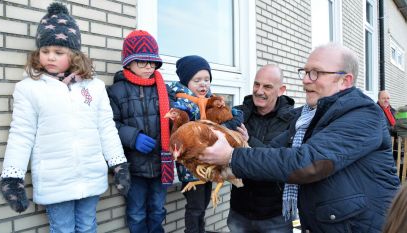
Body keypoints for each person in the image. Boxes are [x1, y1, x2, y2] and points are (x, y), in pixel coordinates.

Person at [199, 43, 400, 232]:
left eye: (316, 73)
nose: (305, 79)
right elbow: (273, 152)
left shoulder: (364, 115)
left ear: (344, 81)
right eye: (305, 72)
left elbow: (308, 162)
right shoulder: (307, 118)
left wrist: (233, 156)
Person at [0, 3, 130, 233]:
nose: (50, 57)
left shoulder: (94, 87)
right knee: (62, 229)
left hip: (90, 175)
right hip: (55, 180)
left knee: (88, 226)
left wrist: (118, 163)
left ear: (74, 54)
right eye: (45, 51)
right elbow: (21, 134)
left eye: (59, 52)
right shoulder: (29, 89)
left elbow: (106, 128)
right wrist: (12, 176)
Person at [167, 55, 243, 233]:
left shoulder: (210, 101)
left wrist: (231, 121)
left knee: (203, 206)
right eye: (197, 80)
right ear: (186, 82)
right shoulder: (182, 102)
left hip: (210, 163)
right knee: (195, 208)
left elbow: (234, 114)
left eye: (207, 79)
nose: (203, 84)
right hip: (192, 166)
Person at [107, 30, 173, 233]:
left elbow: (173, 118)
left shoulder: (163, 89)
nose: (148, 67)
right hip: (134, 167)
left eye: (152, 63)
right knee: (136, 213)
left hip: (162, 164)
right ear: (128, 62)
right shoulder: (117, 91)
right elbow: (109, 125)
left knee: (157, 210)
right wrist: (133, 137)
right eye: (142, 62)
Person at [228, 64, 296, 232]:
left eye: (267, 86)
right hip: (239, 210)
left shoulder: (293, 121)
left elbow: (280, 160)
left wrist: (248, 140)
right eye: (256, 84)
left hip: (275, 215)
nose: (259, 91)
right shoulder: (237, 114)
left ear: (281, 90)